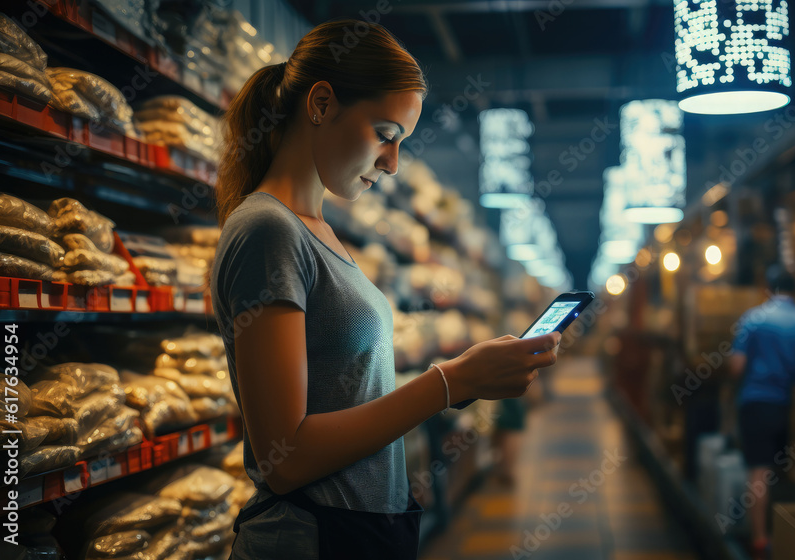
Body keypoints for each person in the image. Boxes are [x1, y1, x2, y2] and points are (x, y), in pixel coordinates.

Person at [210, 20, 561, 560]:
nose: (393, 163)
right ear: (321, 104)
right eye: (386, 135)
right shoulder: (268, 230)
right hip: (312, 539)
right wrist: (450, 381)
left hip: (356, 534)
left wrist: (465, 377)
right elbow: (286, 460)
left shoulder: (317, 232)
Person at [727, 266, 795, 560]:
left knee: (759, 472)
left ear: (767, 289)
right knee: (794, 471)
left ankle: (760, 539)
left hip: (757, 404)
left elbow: (736, 367)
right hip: (794, 409)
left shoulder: (753, 319)